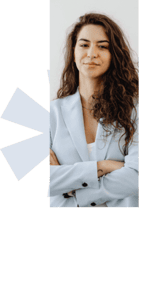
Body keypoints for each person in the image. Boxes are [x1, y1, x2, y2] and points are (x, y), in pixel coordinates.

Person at [49, 13, 139, 208]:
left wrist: (72, 189)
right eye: (84, 44)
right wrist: (103, 167)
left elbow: (137, 177)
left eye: (102, 46)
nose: (92, 53)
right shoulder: (52, 113)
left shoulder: (136, 110)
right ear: (73, 52)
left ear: (113, 55)